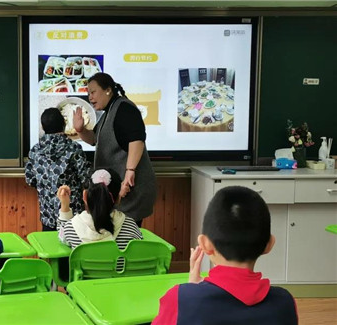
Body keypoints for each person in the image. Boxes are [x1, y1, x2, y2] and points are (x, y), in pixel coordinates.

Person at [152, 186, 298, 325]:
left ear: (205, 244)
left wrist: (190, 291)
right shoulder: (285, 302)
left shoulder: (179, 299)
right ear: (269, 244)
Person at [73, 72, 156, 227]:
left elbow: (137, 140)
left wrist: (130, 171)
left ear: (108, 90)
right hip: (117, 188)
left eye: (93, 92)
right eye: (88, 93)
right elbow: (94, 139)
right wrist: (80, 129)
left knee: (126, 236)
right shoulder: (107, 113)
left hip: (130, 188)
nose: (90, 98)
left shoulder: (124, 108)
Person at [25, 107, 91, 231]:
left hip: (48, 216)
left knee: (50, 249)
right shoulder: (74, 148)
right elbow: (86, 179)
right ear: (64, 124)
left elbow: (30, 180)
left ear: (43, 128)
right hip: (73, 215)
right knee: (75, 249)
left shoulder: (35, 150)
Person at [57, 168, 142, 249]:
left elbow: (62, 237)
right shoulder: (130, 227)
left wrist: (65, 205)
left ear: (85, 196)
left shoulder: (71, 229)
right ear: (118, 198)